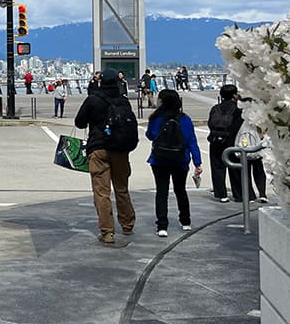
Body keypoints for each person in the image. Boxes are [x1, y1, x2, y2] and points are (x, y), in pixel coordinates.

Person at [75, 68, 137, 244]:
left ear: (100, 81)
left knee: (102, 192)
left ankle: (107, 231)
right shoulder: (123, 101)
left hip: (98, 148)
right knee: (122, 188)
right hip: (120, 149)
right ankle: (127, 224)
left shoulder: (93, 100)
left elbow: (79, 123)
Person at [145, 88, 203, 236]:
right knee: (180, 190)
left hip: (159, 160)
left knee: (162, 192)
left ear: (162, 102)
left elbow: (150, 135)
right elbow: (192, 142)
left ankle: (162, 226)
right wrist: (197, 162)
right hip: (180, 160)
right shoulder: (185, 119)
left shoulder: (156, 118)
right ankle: (185, 221)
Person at [206, 84, 244, 202]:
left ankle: (221, 194)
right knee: (236, 168)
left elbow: (210, 123)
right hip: (231, 141)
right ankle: (238, 194)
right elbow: (239, 126)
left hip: (215, 140)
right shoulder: (238, 109)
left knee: (217, 167)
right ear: (234, 95)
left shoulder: (215, 108)